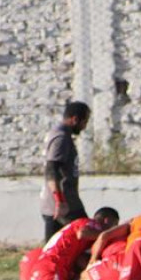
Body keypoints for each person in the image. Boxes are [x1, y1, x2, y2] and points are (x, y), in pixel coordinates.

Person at [41, 101, 91, 242]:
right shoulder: (61, 137)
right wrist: (59, 200)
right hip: (64, 206)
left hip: (64, 203)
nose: (85, 126)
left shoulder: (61, 135)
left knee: (55, 248)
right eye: (84, 121)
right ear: (75, 119)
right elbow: (51, 169)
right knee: (87, 237)